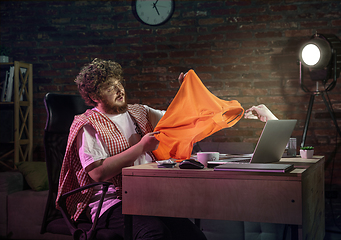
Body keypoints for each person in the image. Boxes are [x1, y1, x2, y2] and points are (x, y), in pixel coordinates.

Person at [56, 58, 277, 240]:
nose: (119, 89)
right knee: (155, 234)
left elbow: (182, 119)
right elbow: (97, 172)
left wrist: (192, 95)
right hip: (110, 203)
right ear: (94, 96)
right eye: (109, 87)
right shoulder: (88, 125)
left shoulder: (139, 112)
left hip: (147, 196)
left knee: (193, 237)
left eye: (118, 83)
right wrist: (141, 147)